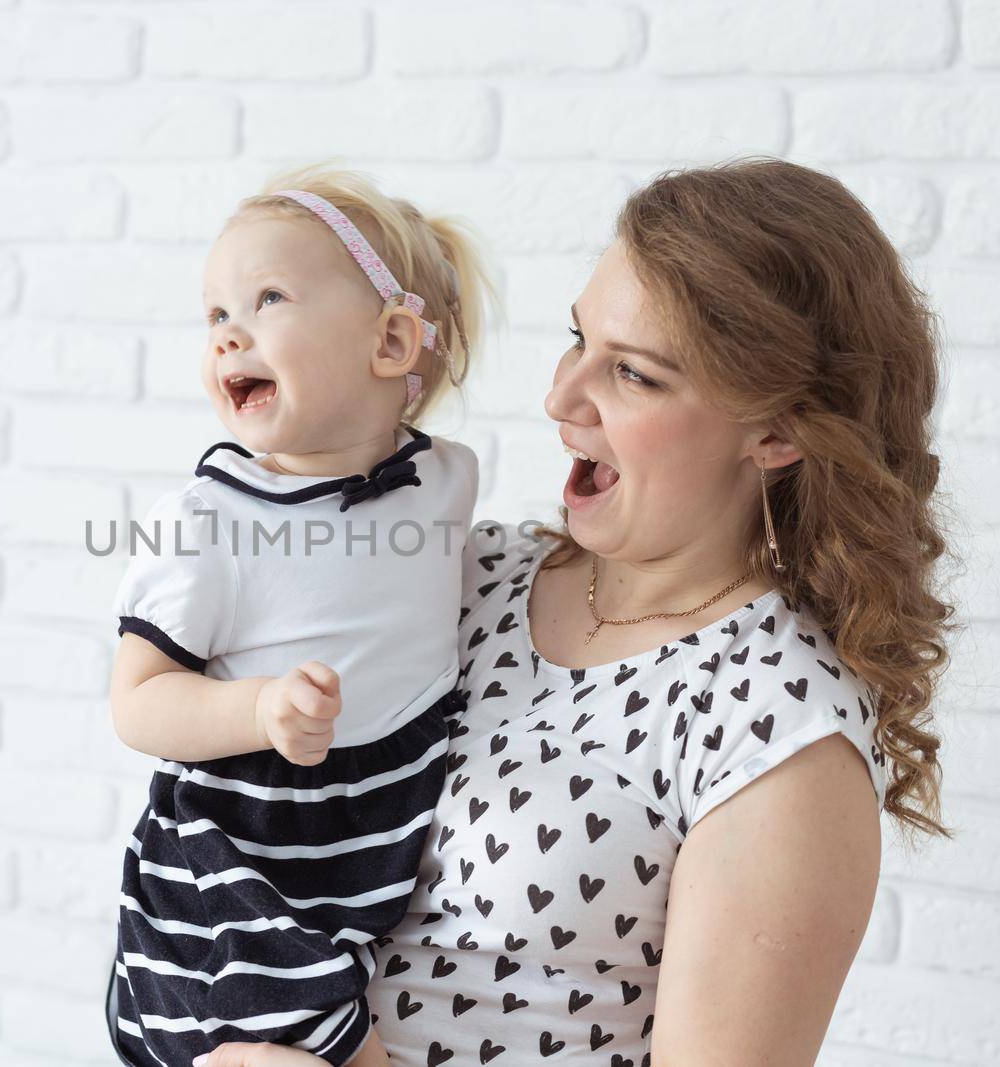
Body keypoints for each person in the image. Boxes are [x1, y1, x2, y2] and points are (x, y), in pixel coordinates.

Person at [194, 157, 954, 1067]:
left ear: (777, 431)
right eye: (576, 338)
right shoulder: (465, 575)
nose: (559, 398)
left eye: (633, 374)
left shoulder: (777, 733)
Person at [105, 165, 498, 1067]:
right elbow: (137, 702)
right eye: (214, 315)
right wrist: (259, 707)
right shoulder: (206, 524)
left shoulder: (443, 482)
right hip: (240, 846)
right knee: (301, 1044)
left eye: (268, 297)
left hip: (369, 838)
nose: (227, 335)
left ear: (394, 340)